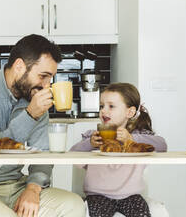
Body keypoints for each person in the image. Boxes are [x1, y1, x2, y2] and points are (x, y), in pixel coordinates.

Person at [0, 34, 85, 217]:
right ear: (19, 66)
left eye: (50, 78)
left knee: (73, 205)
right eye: (43, 76)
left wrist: (33, 189)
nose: (47, 86)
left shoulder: (35, 100)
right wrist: (29, 115)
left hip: (16, 185)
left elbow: (43, 155)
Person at [70, 83, 167, 217]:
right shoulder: (93, 136)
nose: (103, 111)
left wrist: (131, 138)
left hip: (131, 196)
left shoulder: (137, 137)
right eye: (101, 106)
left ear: (130, 112)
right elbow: (72, 156)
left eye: (111, 106)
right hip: (97, 196)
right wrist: (90, 144)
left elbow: (162, 145)